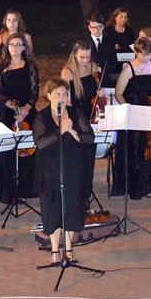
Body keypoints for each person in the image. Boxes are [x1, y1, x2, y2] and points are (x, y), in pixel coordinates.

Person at [33, 78, 95, 263]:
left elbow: (90, 138)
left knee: (71, 208)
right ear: (49, 95)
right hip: (50, 169)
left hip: (73, 168)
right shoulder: (41, 116)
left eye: (64, 94)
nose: (61, 98)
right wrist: (60, 130)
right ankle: (54, 251)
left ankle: (68, 250)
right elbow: (40, 143)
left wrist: (74, 132)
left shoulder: (76, 113)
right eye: (57, 94)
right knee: (53, 210)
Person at [112, 36, 151, 199]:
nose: (147, 58)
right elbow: (118, 94)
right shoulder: (128, 69)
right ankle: (135, 186)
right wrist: (129, 109)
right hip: (133, 115)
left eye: (149, 55)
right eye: (144, 55)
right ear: (136, 53)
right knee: (135, 149)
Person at [0, 30, 39, 204]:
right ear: (7, 47)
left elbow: (34, 90)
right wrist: (11, 105)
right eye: (12, 44)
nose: (15, 47)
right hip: (7, 112)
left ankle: (28, 188)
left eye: (19, 45)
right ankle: (8, 193)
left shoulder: (31, 66)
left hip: (27, 111)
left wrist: (26, 108)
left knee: (28, 150)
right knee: (7, 153)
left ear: (24, 47)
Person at [60, 41, 101, 207]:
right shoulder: (68, 71)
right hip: (76, 117)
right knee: (77, 157)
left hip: (91, 115)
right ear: (74, 55)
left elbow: (97, 91)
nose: (85, 61)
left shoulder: (93, 68)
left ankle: (87, 189)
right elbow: (64, 99)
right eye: (81, 57)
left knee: (89, 155)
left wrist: (100, 92)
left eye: (88, 57)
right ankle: (76, 191)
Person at [85, 12, 118, 81]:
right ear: (89, 28)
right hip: (88, 78)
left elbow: (114, 63)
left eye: (99, 26)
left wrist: (114, 82)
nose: (96, 30)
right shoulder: (84, 42)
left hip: (106, 79)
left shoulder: (110, 42)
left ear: (103, 27)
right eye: (93, 27)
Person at [105, 7, 136, 78]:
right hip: (113, 57)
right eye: (121, 16)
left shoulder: (129, 30)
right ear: (115, 17)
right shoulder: (108, 30)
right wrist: (112, 47)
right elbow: (105, 45)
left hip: (126, 56)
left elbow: (131, 46)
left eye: (125, 17)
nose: (123, 19)